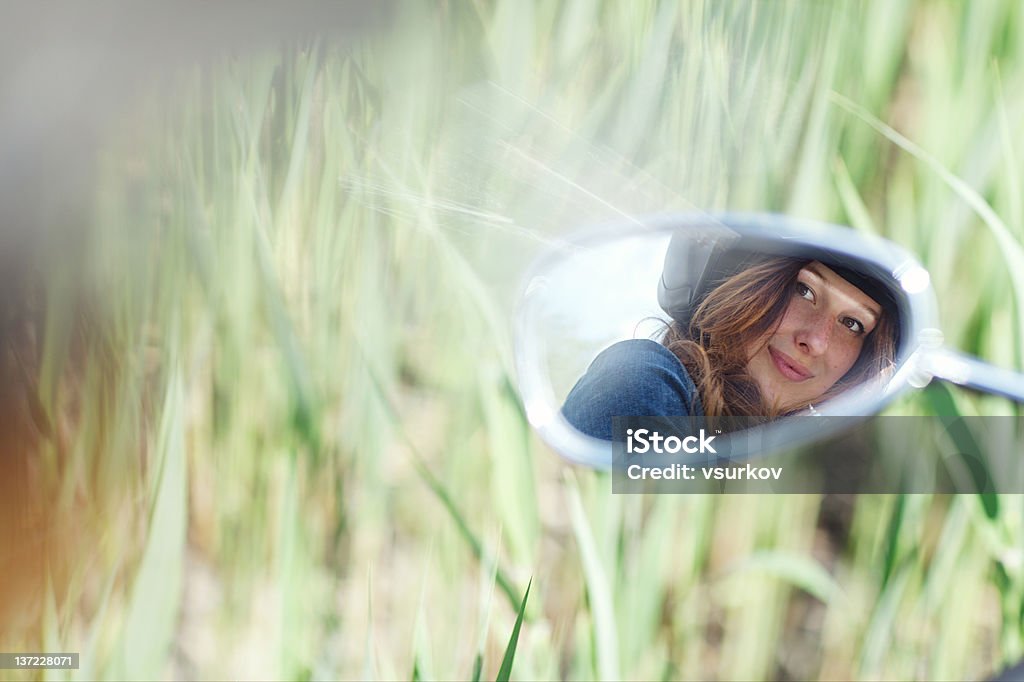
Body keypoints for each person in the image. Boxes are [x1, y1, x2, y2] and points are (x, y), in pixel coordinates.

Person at [561, 256, 899, 440]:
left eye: (852, 324)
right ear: (748, 287)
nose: (816, 341)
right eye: (804, 291)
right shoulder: (644, 380)